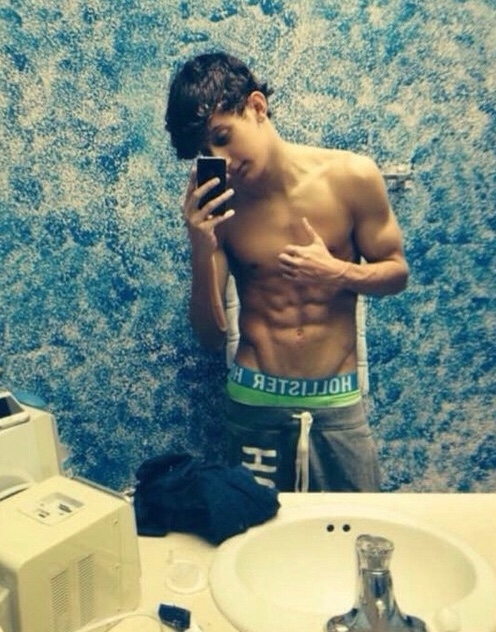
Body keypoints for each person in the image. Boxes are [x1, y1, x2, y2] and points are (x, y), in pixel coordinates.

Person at [165, 51, 409, 493]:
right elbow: (210, 336)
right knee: (257, 532)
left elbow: (396, 274)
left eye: (223, 136)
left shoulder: (351, 177)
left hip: (336, 403)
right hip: (255, 406)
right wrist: (201, 247)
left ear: (257, 107)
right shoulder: (221, 208)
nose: (220, 158)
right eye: (206, 151)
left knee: (360, 523)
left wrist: (338, 273)